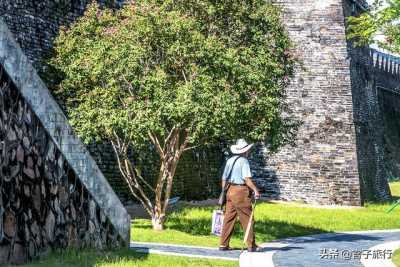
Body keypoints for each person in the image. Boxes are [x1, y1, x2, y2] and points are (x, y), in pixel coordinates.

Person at [219, 138, 261, 252]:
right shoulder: (244, 161)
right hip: (241, 191)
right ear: (245, 151)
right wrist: (256, 190)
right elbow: (247, 179)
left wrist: (224, 192)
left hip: (229, 191)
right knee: (247, 218)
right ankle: (251, 245)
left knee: (229, 218)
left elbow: (224, 178)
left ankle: (223, 244)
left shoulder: (230, 160)